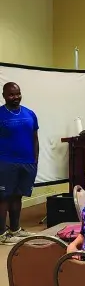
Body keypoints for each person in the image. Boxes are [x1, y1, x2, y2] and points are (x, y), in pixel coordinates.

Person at [0, 82, 39, 243]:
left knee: (17, 196)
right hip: (5, 163)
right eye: (11, 94)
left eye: (18, 93)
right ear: (4, 96)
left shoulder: (30, 113)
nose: (15, 97)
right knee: (3, 198)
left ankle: (15, 229)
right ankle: (1, 234)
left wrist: (35, 160)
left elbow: (35, 139)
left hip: (27, 162)